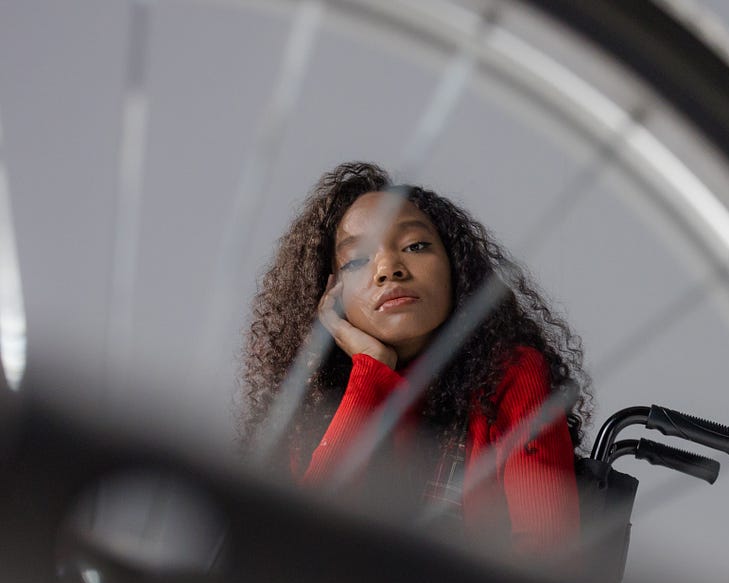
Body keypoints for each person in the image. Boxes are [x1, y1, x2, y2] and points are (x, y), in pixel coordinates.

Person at [239, 161, 592, 558]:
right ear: (331, 295)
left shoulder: (510, 373)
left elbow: (548, 552)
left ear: (456, 268)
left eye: (415, 246)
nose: (388, 269)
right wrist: (371, 370)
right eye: (357, 261)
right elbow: (297, 555)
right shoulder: (315, 400)